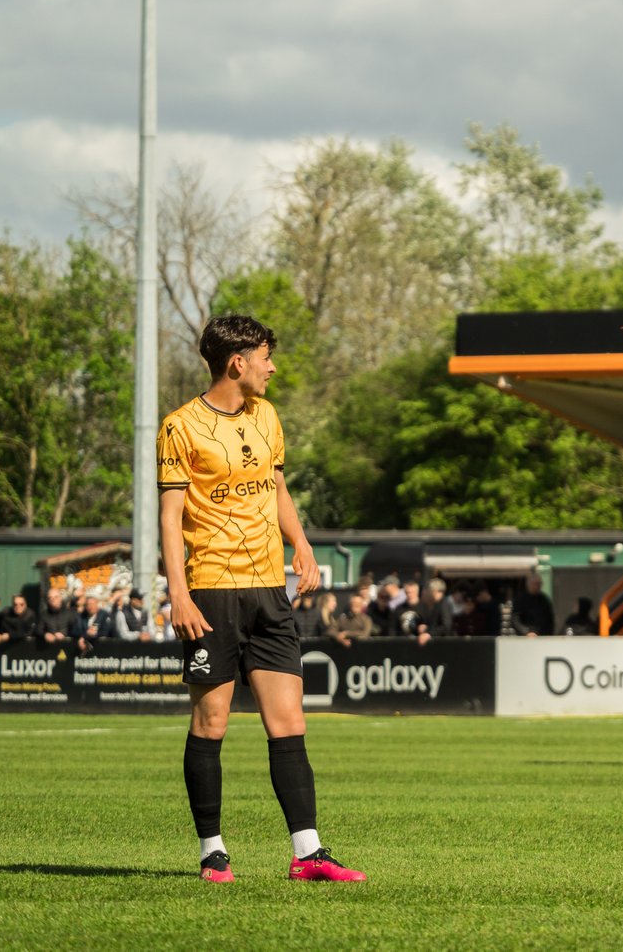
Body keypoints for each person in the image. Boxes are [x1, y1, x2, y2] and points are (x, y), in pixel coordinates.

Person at [159, 313, 363, 883]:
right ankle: (212, 851)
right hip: (211, 591)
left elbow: (276, 488)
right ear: (236, 363)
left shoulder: (267, 416)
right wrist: (178, 591)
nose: (272, 367)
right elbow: (170, 518)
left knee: (288, 720)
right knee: (212, 721)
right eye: (266, 356)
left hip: (269, 589)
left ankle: (308, 854)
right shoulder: (181, 427)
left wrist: (300, 542)